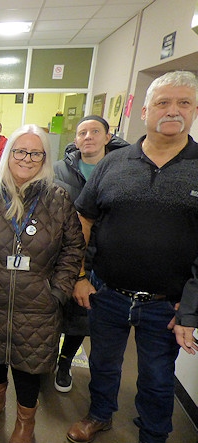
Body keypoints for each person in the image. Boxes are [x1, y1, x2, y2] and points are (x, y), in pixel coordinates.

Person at [66, 71, 198, 443]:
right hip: (107, 293)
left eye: (183, 103)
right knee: (104, 364)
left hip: (166, 303)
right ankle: (99, 415)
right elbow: (83, 220)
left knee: (157, 380)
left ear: (194, 110)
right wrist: (80, 275)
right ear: (144, 111)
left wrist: (192, 311)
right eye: (162, 103)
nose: (172, 111)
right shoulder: (113, 163)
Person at [0, 124, 85, 443]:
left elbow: (73, 249)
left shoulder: (58, 200)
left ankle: (26, 421)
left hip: (39, 303)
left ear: (45, 158)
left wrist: (57, 291)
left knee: (29, 367)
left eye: (35, 152)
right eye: (20, 151)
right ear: (8, 154)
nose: (26, 158)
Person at [52, 115, 129, 392]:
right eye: (82, 133)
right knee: (54, 308)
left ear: (108, 137)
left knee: (83, 314)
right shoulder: (60, 170)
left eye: (95, 131)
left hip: (103, 253)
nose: (88, 137)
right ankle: (46, 358)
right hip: (61, 251)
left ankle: (64, 362)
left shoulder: (124, 168)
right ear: (75, 140)